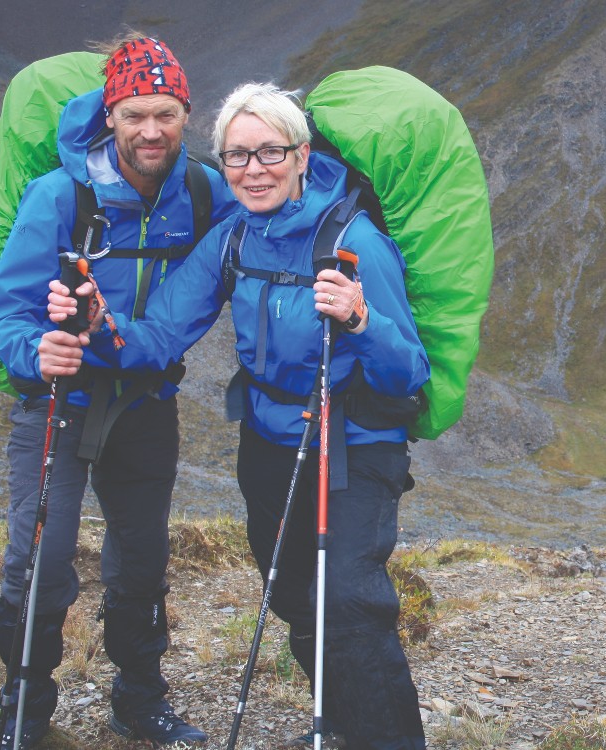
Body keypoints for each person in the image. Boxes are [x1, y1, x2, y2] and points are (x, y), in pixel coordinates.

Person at [45, 82, 430, 749]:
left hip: (351, 444)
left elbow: (408, 373)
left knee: (346, 600)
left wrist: (361, 317)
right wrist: (103, 327)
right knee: (292, 598)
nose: (253, 170)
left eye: (269, 153)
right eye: (236, 157)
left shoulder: (353, 241)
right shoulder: (232, 238)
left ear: (302, 155)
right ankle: (345, 718)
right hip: (267, 439)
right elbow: (162, 334)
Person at [0, 33, 237, 749]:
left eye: (164, 114)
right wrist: (38, 349)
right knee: (41, 557)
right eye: (133, 116)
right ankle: (23, 712)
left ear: (186, 112)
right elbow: (2, 314)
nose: (150, 131)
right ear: (109, 116)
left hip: (146, 404)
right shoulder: (58, 194)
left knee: (142, 558)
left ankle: (139, 698)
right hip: (57, 403)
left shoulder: (204, 192)